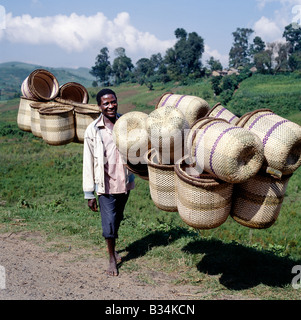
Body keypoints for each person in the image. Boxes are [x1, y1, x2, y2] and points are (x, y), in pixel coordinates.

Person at [83, 88, 135, 276]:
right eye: (106, 103)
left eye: (113, 101)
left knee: (118, 217)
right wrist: (89, 193)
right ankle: (112, 259)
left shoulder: (125, 124)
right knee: (109, 222)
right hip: (105, 184)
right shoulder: (93, 130)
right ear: (99, 106)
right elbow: (88, 162)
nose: (111, 105)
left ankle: (113, 248)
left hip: (124, 182)